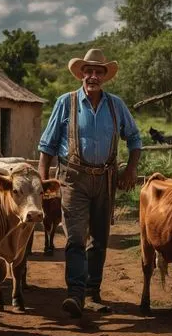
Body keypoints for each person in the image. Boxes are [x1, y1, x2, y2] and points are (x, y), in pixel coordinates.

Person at [38, 48, 142, 318]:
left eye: (98, 71)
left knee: (99, 238)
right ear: (81, 74)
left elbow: (135, 139)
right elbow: (46, 146)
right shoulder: (66, 102)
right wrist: (42, 182)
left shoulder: (115, 105)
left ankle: (92, 293)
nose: (93, 76)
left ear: (105, 76)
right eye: (88, 71)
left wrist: (130, 169)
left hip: (106, 179)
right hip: (73, 178)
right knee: (74, 237)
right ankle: (75, 293)